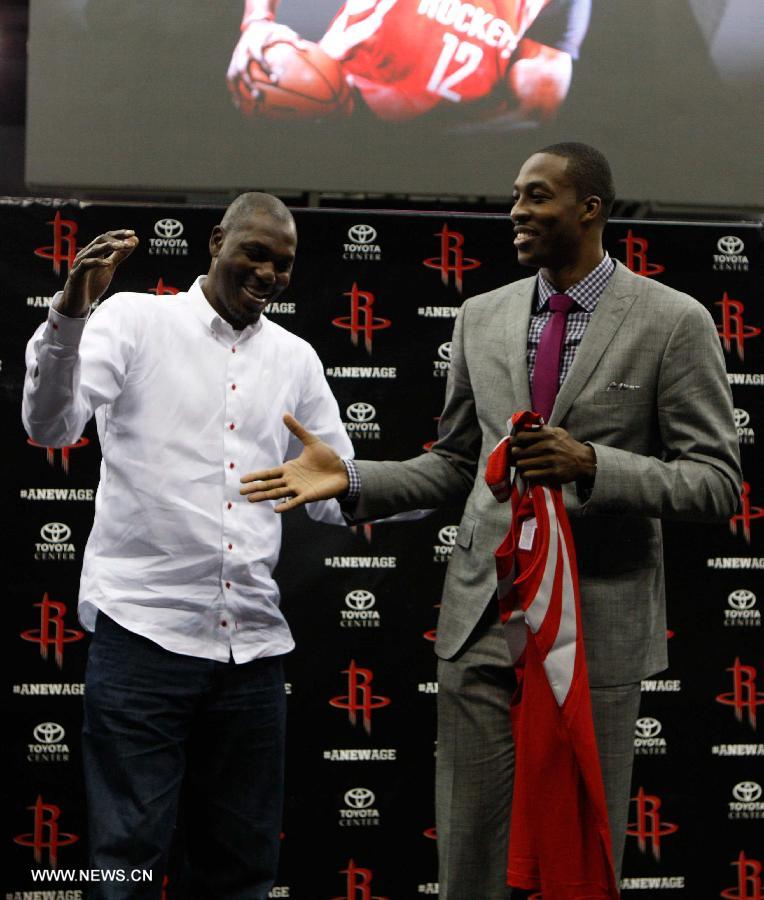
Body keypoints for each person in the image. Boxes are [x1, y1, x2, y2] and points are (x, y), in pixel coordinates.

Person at [240, 144, 742, 898]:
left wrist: (594, 465)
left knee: (577, 849)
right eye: (515, 195)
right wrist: (351, 479)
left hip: (595, 629)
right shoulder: (483, 315)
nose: (516, 211)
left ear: (590, 210)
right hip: (482, 615)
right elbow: (454, 462)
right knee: (469, 851)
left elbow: (715, 483)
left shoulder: (674, 322)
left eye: (537, 197)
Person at [22, 193, 353, 900]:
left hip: (253, 651)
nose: (267, 272)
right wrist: (71, 314)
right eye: (255, 253)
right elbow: (51, 426)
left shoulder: (295, 359)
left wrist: (435, 483)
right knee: (129, 863)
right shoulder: (137, 319)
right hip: (144, 636)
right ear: (216, 241)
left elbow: (337, 489)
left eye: (284, 263)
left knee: (241, 871)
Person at [227, 0, 591, 124]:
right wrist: (258, 21)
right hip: (344, 93)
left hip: (442, 140)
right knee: (272, 75)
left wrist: (439, 141)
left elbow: (541, 98)